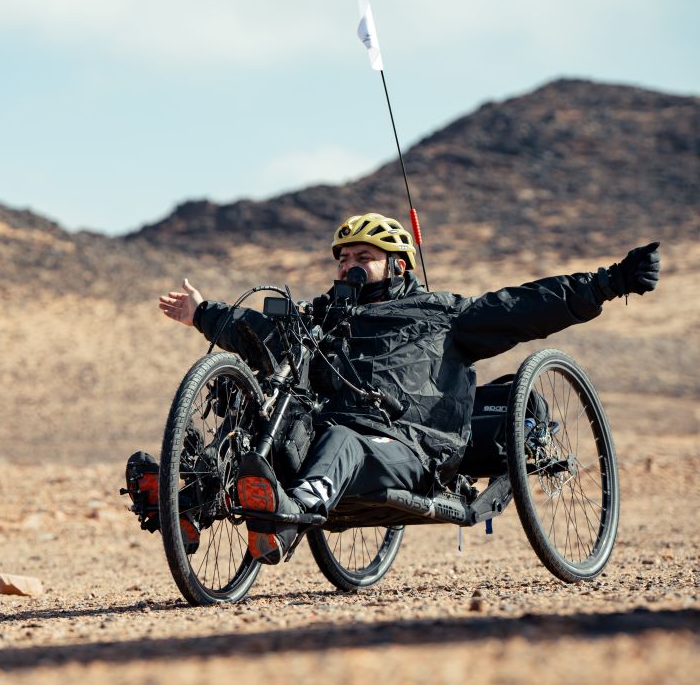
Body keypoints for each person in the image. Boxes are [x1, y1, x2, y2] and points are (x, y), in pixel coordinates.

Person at [138, 212, 661, 565]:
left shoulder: (443, 314)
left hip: (410, 445)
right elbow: (262, 332)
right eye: (342, 259)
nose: (348, 266)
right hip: (331, 436)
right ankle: (186, 498)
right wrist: (202, 313)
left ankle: (286, 518)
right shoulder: (323, 318)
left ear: (398, 264)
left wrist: (610, 281)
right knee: (261, 405)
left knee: (344, 439)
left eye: (361, 257)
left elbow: (524, 305)